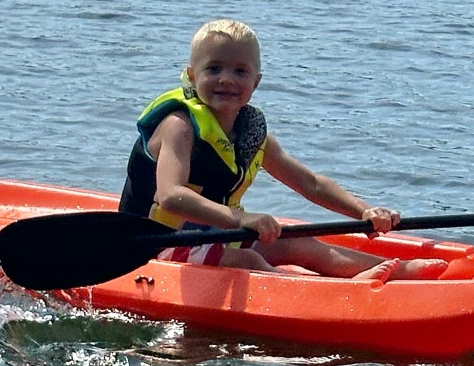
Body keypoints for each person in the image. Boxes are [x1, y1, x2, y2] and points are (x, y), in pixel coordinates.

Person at [118, 19, 445, 281]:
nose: (227, 79)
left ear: (256, 82)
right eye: (213, 69)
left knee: (296, 242)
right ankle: (332, 293)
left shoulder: (251, 135)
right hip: (152, 245)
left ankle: (398, 272)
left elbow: (311, 184)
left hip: (208, 236)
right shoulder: (179, 126)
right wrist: (243, 218)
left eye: (240, 71)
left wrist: (364, 212)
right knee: (246, 258)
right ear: (192, 75)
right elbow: (172, 196)